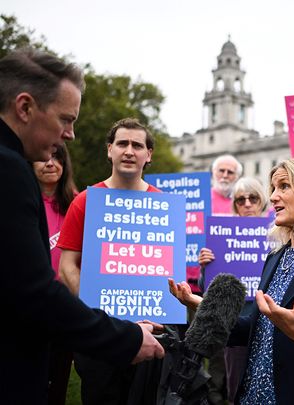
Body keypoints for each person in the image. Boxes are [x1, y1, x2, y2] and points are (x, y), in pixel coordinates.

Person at [0, 48, 163, 404]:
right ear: (25, 108)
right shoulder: (11, 170)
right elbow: (39, 288)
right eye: (65, 119)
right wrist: (120, 333)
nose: (71, 135)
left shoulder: (162, 203)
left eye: (138, 145)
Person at [170, 155, 294, 404]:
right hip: (253, 395)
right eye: (273, 188)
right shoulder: (275, 255)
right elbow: (254, 328)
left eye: (284, 186)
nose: (273, 196)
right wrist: (203, 306)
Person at [58, 117, 161, 404]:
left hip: (148, 329)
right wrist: (96, 312)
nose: (129, 151)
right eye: (122, 143)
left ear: (148, 154)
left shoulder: (164, 204)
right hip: (99, 332)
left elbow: (168, 271)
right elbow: (67, 267)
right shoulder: (85, 201)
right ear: (109, 150)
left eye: (137, 145)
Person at [196, 177, 268, 403]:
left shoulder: (277, 235)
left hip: (269, 322)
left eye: (253, 198)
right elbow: (207, 289)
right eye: (240, 200)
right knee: (237, 385)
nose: (247, 204)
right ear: (234, 205)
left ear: (262, 202)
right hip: (236, 323)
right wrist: (205, 269)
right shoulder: (221, 236)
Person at [33, 144, 78, 405]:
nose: (51, 163)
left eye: (57, 157)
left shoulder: (79, 202)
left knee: (58, 380)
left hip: (65, 305)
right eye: (45, 157)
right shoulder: (20, 200)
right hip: (30, 305)